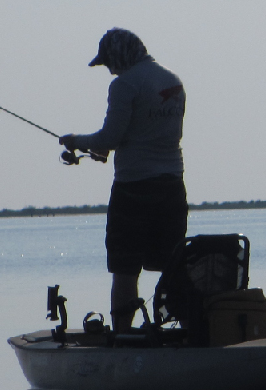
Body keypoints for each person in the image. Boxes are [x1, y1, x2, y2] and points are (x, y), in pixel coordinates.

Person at [60, 28, 188, 332]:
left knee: (125, 268)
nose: (110, 69)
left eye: (109, 62)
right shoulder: (172, 80)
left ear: (119, 56)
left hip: (133, 189)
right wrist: (105, 146)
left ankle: (122, 335)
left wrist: (77, 141)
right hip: (172, 186)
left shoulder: (125, 84)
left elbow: (111, 136)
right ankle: (187, 327)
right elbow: (145, 132)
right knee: (173, 264)